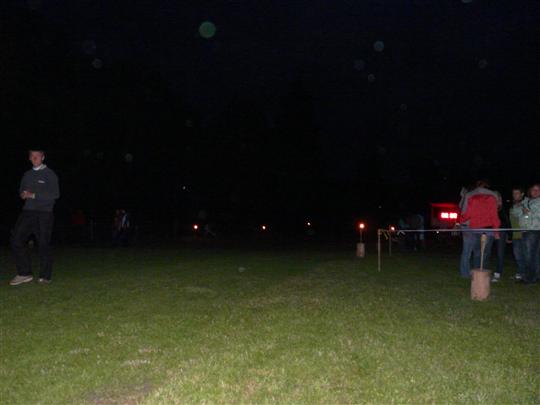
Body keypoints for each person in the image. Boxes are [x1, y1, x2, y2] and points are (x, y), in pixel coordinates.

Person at [10, 150, 60, 285]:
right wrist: (23, 194)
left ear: (43, 157)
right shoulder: (27, 174)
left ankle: (45, 276)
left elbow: (55, 194)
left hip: (44, 213)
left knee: (43, 243)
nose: (35, 158)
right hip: (28, 211)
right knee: (16, 240)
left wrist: (33, 195)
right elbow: (22, 191)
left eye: (37, 156)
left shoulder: (50, 174)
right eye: (32, 156)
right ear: (29, 158)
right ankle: (24, 273)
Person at [458, 180, 500, 278]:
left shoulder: (472, 197)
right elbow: (494, 216)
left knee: (475, 253)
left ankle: (475, 274)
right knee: (484, 254)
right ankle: (482, 275)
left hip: (474, 229)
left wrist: (461, 221)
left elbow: (467, 213)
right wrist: (496, 232)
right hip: (488, 230)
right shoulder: (492, 197)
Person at [517, 184, 540, 284]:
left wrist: (528, 212)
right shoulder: (525, 201)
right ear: (530, 191)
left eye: (538, 190)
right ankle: (534, 277)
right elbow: (516, 213)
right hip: (526, 230)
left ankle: (529, 278)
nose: (535, 191)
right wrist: (518, 207)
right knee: (533, 255)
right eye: (534, 189)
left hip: (533, 230)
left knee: (529, 255)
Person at [492, 191, 511, 282]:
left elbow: (507, 221)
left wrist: (509, 235)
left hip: (501, 232)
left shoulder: (503, 208)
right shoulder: (489, 207)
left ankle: (498, 273)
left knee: (500, 253)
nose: (496, 199)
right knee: (487, 252)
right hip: (490, 232)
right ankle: (483, 272)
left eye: (498, 197)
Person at [508, 187, 527, 280]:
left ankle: (529, 274)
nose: (515, 195)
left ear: (522, 194)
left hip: (525, 234)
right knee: (518, 256)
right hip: (516, 235)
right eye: (513, 193)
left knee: (527, 256)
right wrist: (509, 235)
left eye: (517, 193)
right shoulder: (512, 206)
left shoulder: (526, 204)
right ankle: (521, 273)